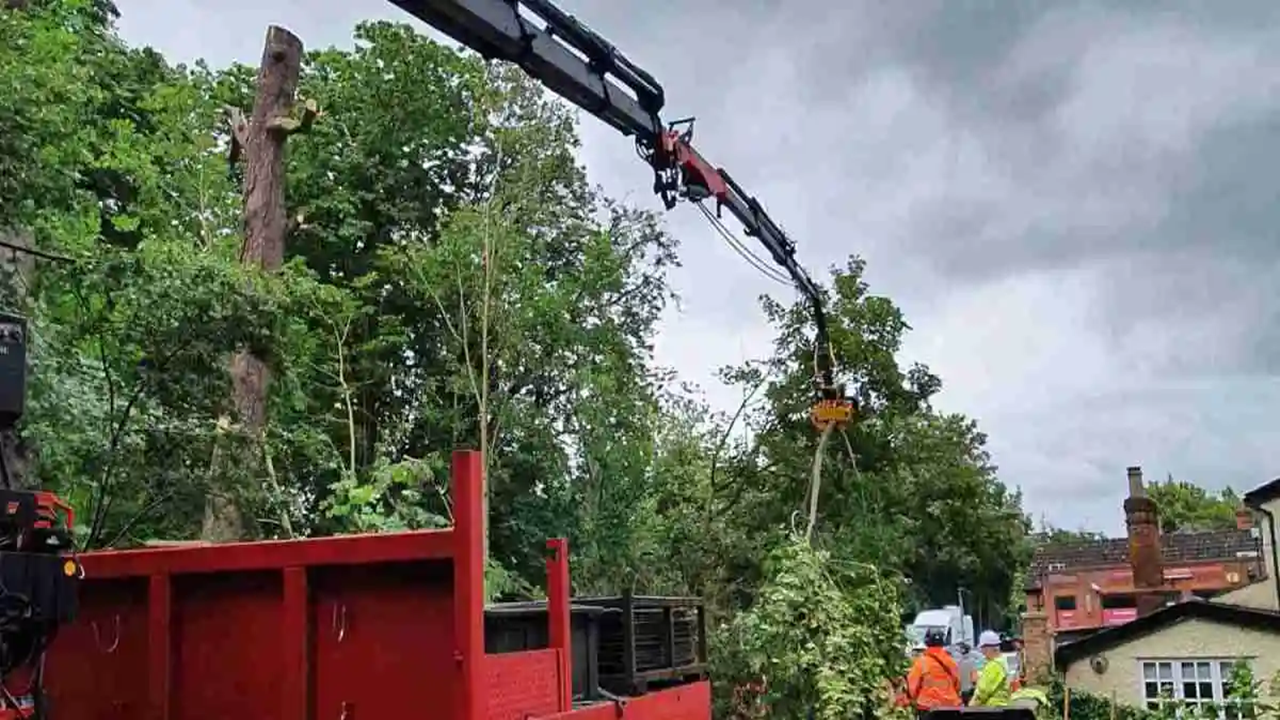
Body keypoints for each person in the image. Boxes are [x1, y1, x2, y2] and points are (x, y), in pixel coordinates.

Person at [906, 627, 962, 716]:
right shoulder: (951, 661)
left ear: (927, 642)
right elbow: (957, 684)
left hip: (928, 708)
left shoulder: (921, 662)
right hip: (951, 707)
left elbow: (912, 687)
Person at [969, 630, 1012, 707]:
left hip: (992, 709)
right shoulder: (1002, 661)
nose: (982, 652)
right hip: (1001, 707)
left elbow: (983, 692)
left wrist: (970, 707)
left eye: (983, 649)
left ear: (989, 648)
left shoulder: (994, 665)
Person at [955, 641, 983, 705]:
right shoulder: (972, 662)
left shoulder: (957, 663)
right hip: (969, 690)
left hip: (960, 691)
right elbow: (974, 679)